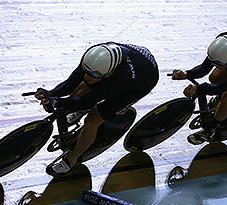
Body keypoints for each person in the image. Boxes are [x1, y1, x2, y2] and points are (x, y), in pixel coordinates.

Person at [36, 42, 159, 176]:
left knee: (93, 119)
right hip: (131, 61)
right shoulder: (93, 57)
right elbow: (72, 81)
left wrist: (58, 103)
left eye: (94, 75)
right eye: (87, 71)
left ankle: (72, 159)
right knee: (82, 87)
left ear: (110, 72)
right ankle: (79, 109)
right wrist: (51, 93)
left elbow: (89, 100)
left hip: (143, 79)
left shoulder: (122, 79)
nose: (88, 77)